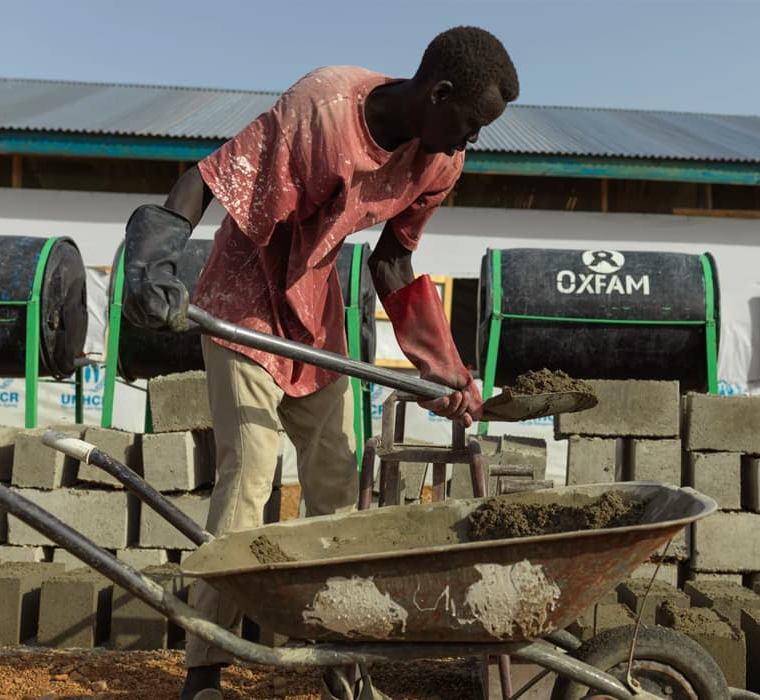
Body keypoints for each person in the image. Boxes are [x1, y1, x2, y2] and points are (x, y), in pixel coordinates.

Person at [121, 26, 518, 700]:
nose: (467, 143)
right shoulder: (323, 108)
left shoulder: (439, 164)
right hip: (242, 296)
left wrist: (440, 366)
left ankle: (342, 666)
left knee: (337, 486)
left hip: (315, 307)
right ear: (438, 92)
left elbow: (392, 261)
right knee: (248, 473)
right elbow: (205, 178)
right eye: (470, 125)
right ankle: (206, 670)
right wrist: (153, 256)